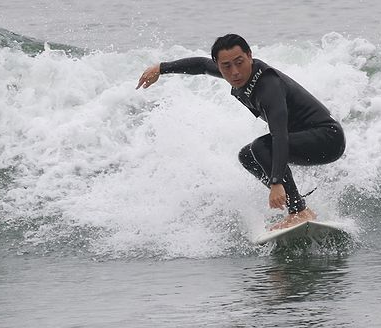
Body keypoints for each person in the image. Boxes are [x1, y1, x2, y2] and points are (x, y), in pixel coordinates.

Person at [136, 34, 346, 230]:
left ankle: (298, 211)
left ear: (249, 56)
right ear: (219, 65)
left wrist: (276, 182)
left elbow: (279, 136)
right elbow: (201, 65)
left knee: (261, 147)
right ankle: (298, 204)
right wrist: (160, 68)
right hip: (306, 137)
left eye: (239, 62)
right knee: (247, 156)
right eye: (226, 66)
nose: (235, 72)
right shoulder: (233, 71)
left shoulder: (269, 86)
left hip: (328, 138)